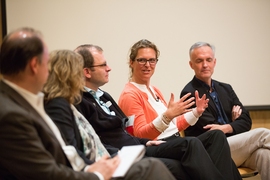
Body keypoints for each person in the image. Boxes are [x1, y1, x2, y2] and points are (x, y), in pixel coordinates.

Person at [74, 43, 242, 180]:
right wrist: (167, 116)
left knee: (216, 137)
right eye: (142, 60)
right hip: (151, 144)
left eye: (152, 60)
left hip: (157, 142)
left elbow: (173, 126)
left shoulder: (152, 90)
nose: (148, 65)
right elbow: (139, 131)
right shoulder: (129, 95)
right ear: (131, 62)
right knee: (192, 145)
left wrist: (195, 113)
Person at [0, 27, 117, 179]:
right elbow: (45, 173)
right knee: (150, 167)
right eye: (47, 62)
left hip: (81, 171)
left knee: (150, 166)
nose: (49, 70)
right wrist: (97, 175)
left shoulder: (26, 101)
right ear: (35, 65)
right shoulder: (11, 114)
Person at [43, 49, 176, 180]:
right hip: (97, 166)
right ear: (68, 75)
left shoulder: (70, 103)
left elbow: (118, 131)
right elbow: (72, 151)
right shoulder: (58, 105)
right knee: (153, 166)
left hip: (114, 154)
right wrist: (106, 162)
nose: (83, 76)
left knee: (181, 152)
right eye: (80, 72)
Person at [180, 41, 270, 180]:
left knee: (265, 155)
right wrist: (234, 123)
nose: (205, 65)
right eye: (199, 61)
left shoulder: (226, 88)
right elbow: (212, 131)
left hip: (236, 148)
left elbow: (246, 121)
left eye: (208, 60)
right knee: (263, 134)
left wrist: (227, 127)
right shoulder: (190, 93)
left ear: (214, 62)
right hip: (211, 151)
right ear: (191, 64)